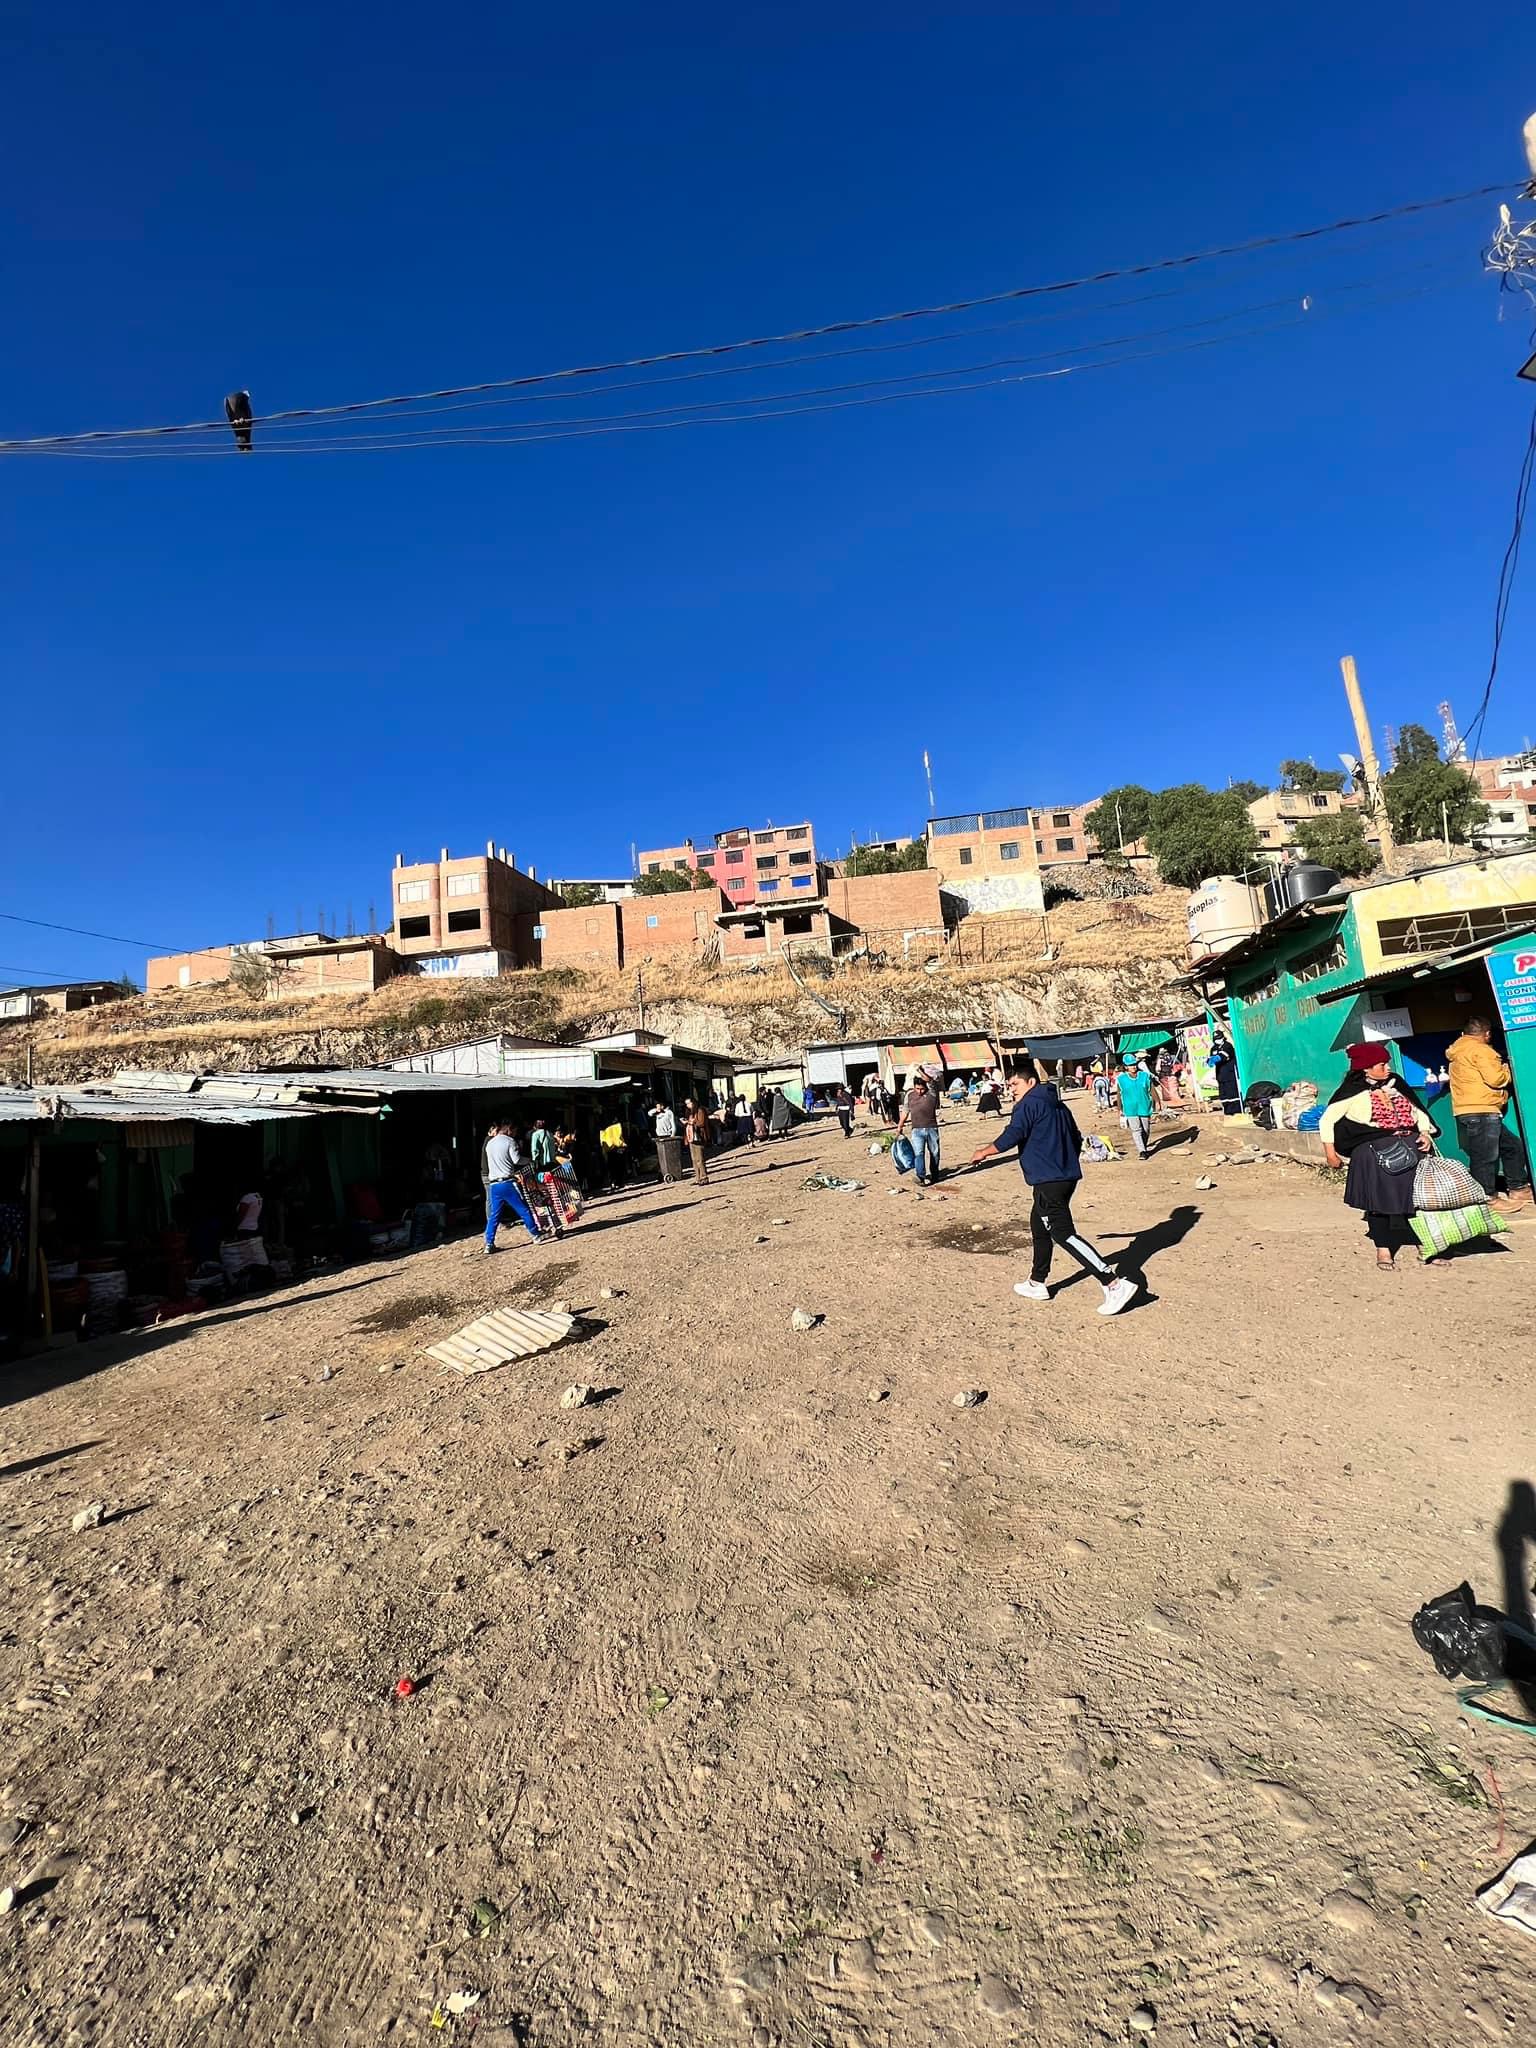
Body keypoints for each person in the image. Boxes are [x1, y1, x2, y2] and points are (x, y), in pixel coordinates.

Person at [971, 1070, 1137, 1315]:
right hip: (1065, 1176)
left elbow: (1012, 1135)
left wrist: (983, 1152)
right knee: (1039, 1227)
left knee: (1063, 1234)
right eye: (1009, 1084)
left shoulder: (1027, 1105)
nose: (1011, 1089)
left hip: (1049, 1180)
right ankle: (1037, 1282)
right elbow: (1076, 1137)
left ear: (1031, 1082)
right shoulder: (1059, 1105)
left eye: (1015, 1083)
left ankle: (1113, 1283)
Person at [1319, 1044, 1436, 1270]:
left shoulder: (1397, 1085)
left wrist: (1424, 1133)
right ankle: (1383, 1249)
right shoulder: (1352, 1091)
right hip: (1374, 1153)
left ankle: (1426, 1243)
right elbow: (1327, 1120)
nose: (1388, 1068)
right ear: (1366, 1068)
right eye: (1382, 1064)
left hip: (1412, 1149)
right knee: (1378, 1202)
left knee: (1418, 1199)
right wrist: (1330, 1154)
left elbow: (1418, 1111)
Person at [1447, 1015, 1532, 1214]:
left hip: (1470, 1108)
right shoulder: (1481, 1050)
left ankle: (1518, 1188)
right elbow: (1496, 1079)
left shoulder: (1458, 1050)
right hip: (1482, 1109)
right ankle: (1486, 1198)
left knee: (1511, 1147)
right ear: (1486, 1034)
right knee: (1484, 1157)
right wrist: (1507, 1069)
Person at [483, 1122, 542, 1253]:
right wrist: (530, 1160)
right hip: (508, 1182)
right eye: (514, 1131)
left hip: (494, 1184)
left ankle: (488, 1243)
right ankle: (536, 1235)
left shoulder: (490, 1143)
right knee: (523, 1209)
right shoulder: (510, 1141)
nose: (515, 1134)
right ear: (509, 1130)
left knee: (494, 1215)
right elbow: (516, 1160)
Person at [898, 1072, 942, 1184]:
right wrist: (900, 1125)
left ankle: (935, 1174)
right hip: (916, 1130)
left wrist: (920, 1070)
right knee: (919, 1153)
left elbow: (930, 1080)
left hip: (932, 1128)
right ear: (914, 1087)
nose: (920, 1091)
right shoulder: (909, 1095)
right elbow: (905, 1110)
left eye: (922, 1089)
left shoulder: (932, 1093)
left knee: (934, 1153)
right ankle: (920, 1176)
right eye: (917, 1089)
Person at [1114, 1056, 1157, 1160]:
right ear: (1126, 1067)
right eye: (1130, 1065)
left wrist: (1157, 1102)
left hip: (1144, 1105)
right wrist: (1120, 1108)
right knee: (1136, 1130)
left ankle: (1143, 1146)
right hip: (1130, 1108)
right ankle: (1142, 1151)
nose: (1133, 1067)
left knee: (1145, 1129)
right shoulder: (1121, 1079)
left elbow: (1151, 1089)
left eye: (1134, 1064)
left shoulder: (1144, 1076)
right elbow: (1119, 1094)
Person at [648, 1099, 682, 1182]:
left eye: (659, 1105)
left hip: (668, 1135)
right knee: (662, 1156)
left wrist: (672, 1134)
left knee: (669, 1155)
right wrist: (657, 1109)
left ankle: (672, 1171)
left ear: (663, 1105)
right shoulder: (657, 1113)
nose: (658, 1107)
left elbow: (673, 1123)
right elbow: (649, 1113)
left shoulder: (669, 1112)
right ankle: (663, 1172)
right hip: (660, 1135)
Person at [682, 1097, 712, 1186]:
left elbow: (701, 1123)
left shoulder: (700, 1110)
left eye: (689, 1103)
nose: (688, 1105)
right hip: (691, 1137)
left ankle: (704, 1177)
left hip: (699, 1137)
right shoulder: (689, 1112)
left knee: (700, 1158)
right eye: (686, 1104)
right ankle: (697, 1178)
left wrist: (692, 1122)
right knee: (694, 1159)